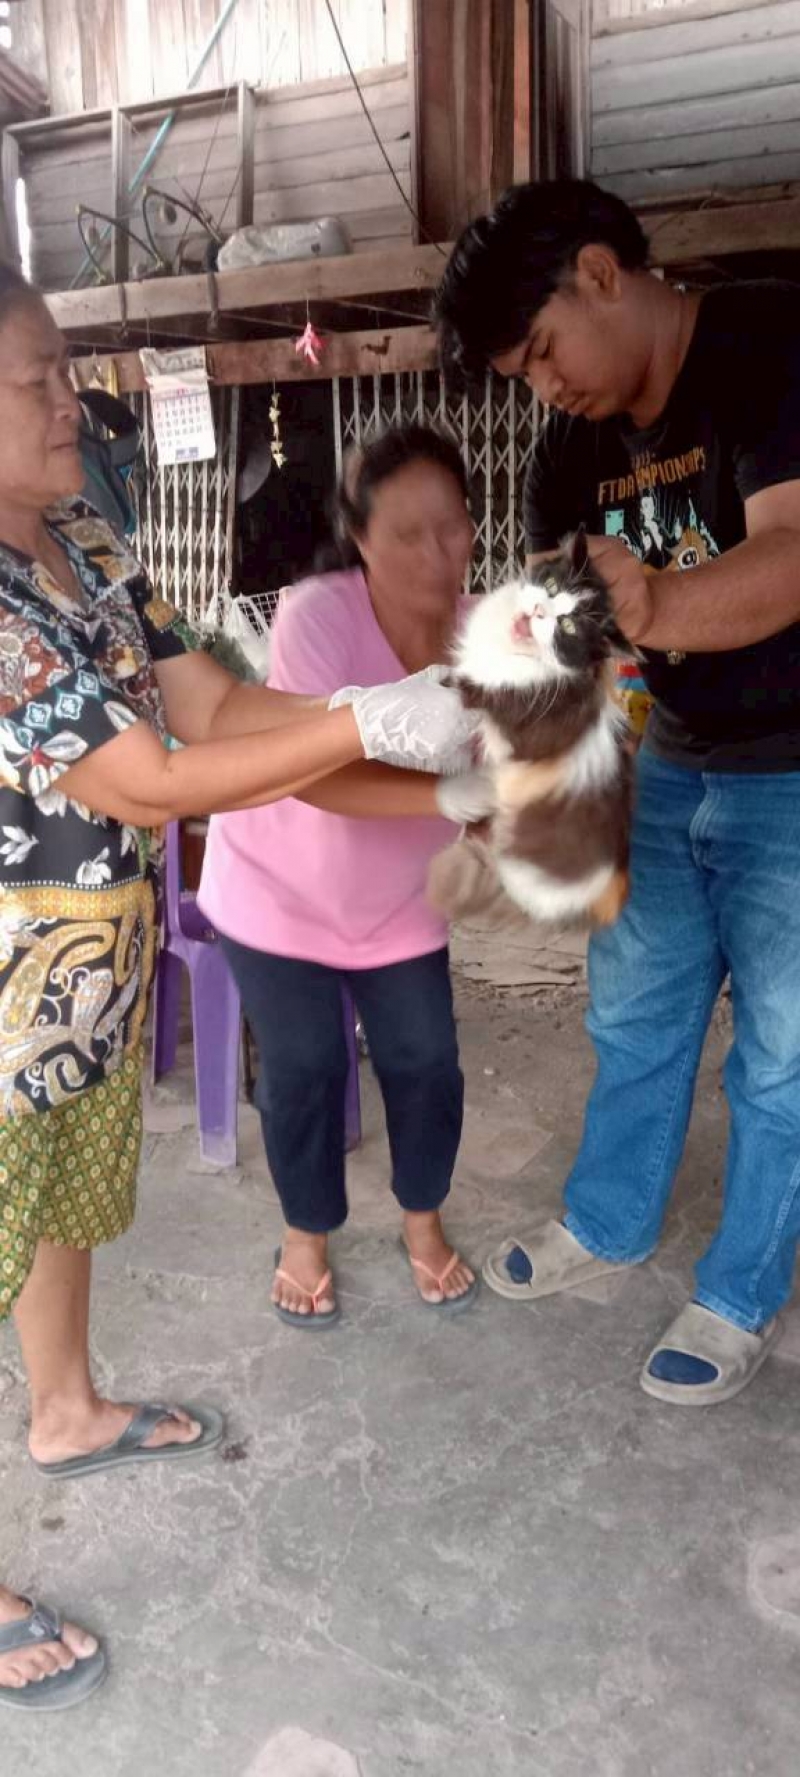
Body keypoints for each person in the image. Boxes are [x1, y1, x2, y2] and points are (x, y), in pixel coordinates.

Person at [0, 266, 484, 1708]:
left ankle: (66, 1410)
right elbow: (150, 779)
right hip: (4, 995)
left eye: (64, 369)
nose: (69, 402)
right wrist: (365, 720)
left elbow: (204, 697)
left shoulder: (82, 538)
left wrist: (360, 720)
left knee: (65, 1211)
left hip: (86, 986)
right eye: (33, 380)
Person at [435, 176, 800, 1405]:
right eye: (521, 375)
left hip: (791, 773)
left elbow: (789, 550)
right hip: (669, 762)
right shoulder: (568, 451)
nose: (545, 387)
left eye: (543, 351)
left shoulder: (765, 341)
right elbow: (569, 639)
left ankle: (739, 1288)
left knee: (780, 1058)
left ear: (600, 274)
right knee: (634, 1014)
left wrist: (652, 601)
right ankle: (608, 1219)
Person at [199, 425, 486, 1326]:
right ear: (359, 537)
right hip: (276, 895)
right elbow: (316, 775)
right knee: (303, 1066)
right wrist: (450, 794)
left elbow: (518, 754)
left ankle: (422, 1222)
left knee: (427, 1063)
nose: (437, 554)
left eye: (452, 526)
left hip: (398, 905)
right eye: (406, 534)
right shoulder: (317, 614)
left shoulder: (487, 634)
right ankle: (306, 1233)